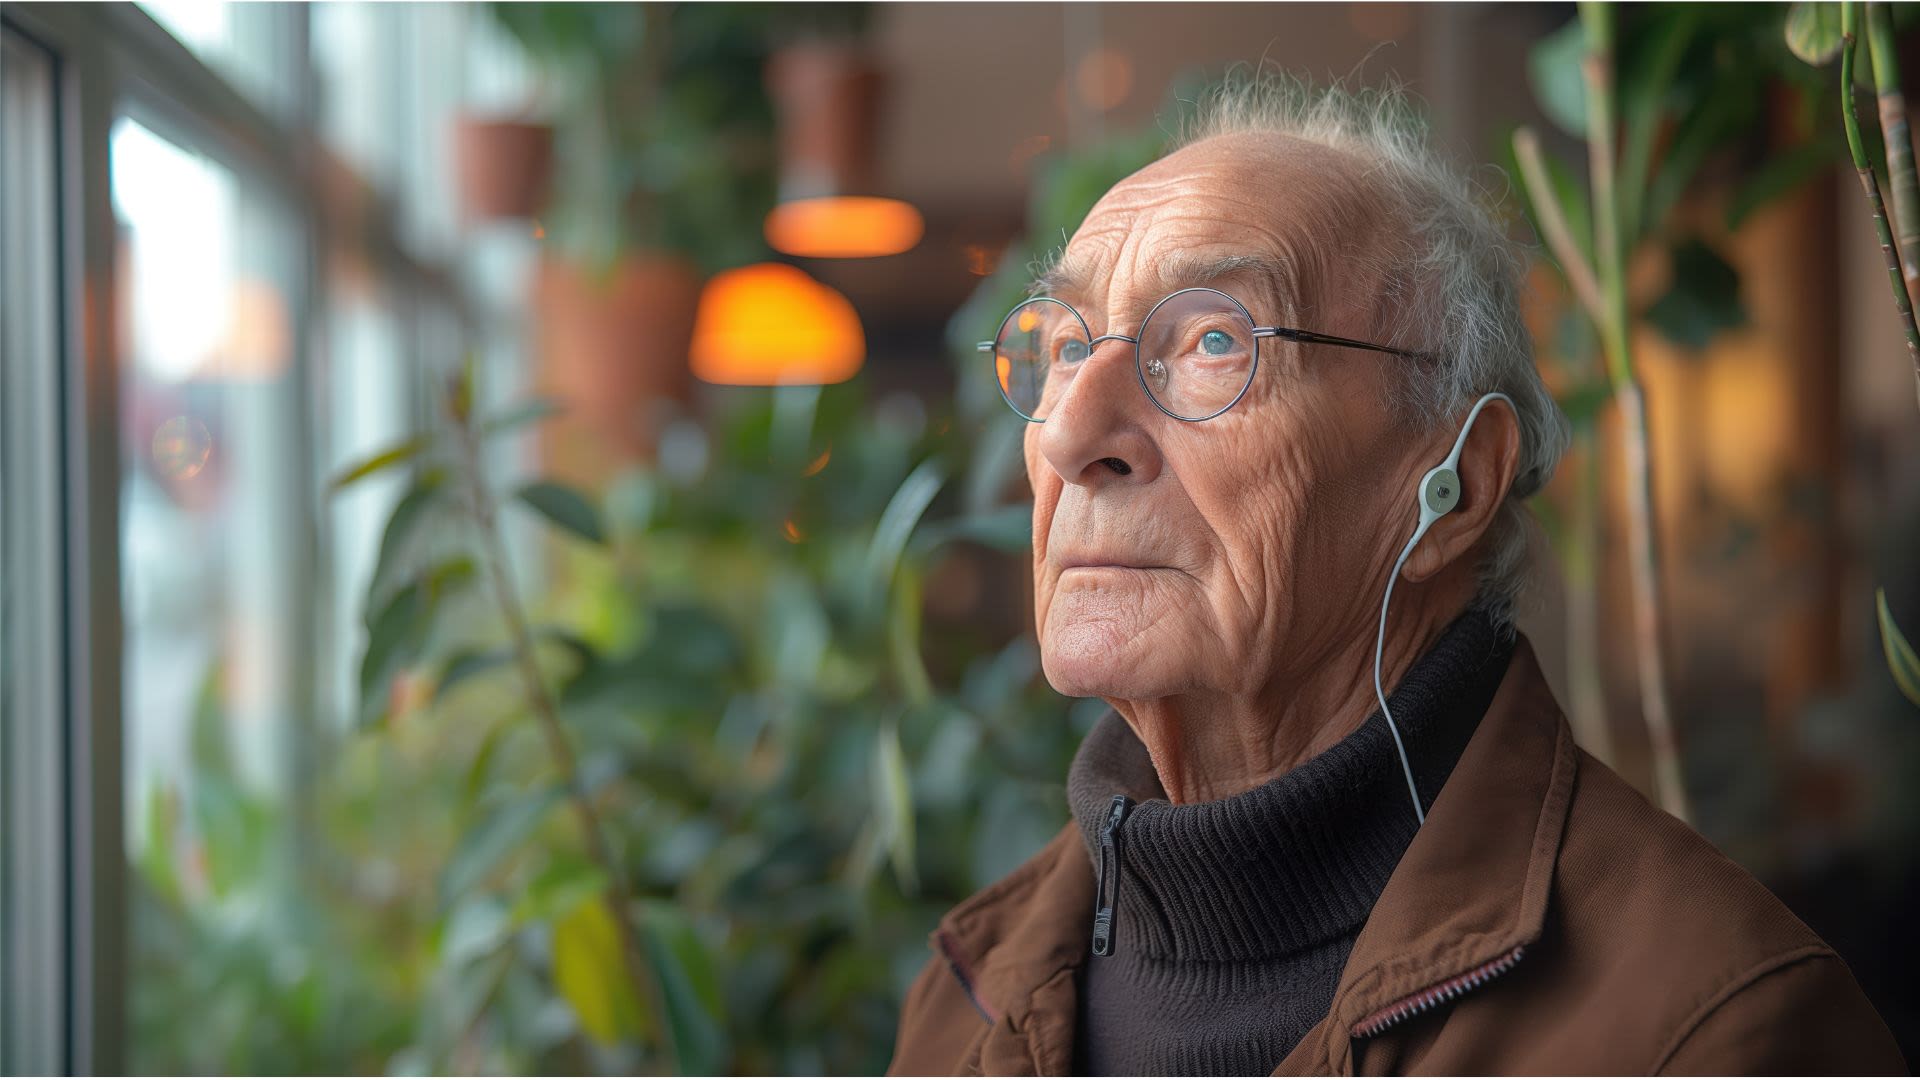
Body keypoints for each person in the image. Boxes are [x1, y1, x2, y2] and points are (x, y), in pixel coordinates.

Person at [885, 75, 1906, 1076]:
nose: (1070, 434)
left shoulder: (1714, 1031)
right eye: (1067, 346)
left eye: (1211, 341)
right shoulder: (968, 998)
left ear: (1454, 486)